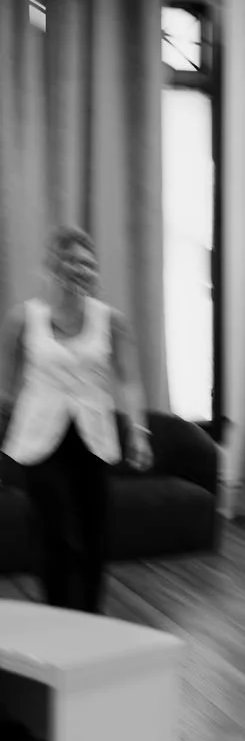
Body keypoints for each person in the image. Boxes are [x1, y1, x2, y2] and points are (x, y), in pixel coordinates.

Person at [0, 226, 153, 614]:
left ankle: (90, 621)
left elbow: (130, 380)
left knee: (93, 538)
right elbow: (9, 382)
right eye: (72, 261)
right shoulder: (23, 318)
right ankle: (58, 620)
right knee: (54, 537)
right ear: (53, 265)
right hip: (39, 441)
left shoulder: (111, 320)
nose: (82, 270)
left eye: (89, 263)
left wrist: (139, 432)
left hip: (93, 438)